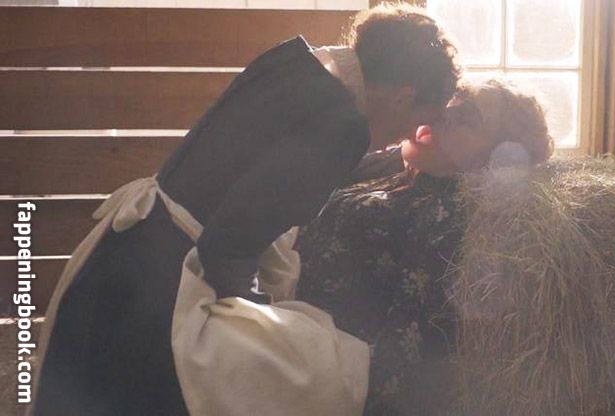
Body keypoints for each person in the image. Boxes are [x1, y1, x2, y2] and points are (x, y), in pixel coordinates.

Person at [31, 4, 459, 415]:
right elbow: (229, 245)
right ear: (402, 98)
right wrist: (261, 315)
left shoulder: (295, 61)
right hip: (158, 299)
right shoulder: (342, 128)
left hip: (121, 257)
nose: (406, 138)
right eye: (418, 122)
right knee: (326, 373)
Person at [295, 79, 553, 415]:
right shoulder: (402, 172)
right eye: (451, 100)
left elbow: (406, 352)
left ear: (493, 161)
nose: (445, 113)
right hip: (283, 314)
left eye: (467, 118)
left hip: (322, 364)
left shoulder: (445, 220)